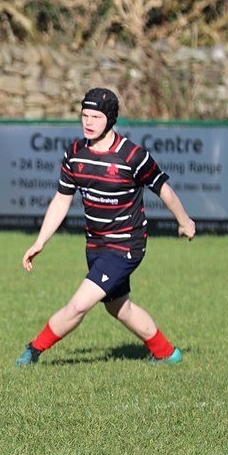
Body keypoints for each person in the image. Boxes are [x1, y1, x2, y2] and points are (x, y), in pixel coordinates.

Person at [16, 87, 195, 366]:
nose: (88, 122)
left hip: (126, 245)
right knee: (118, 307)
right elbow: (61, 201)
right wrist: (40, 242)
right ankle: (166, 353)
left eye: (96, 117)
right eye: (84, 115)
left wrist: (185, 222)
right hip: (95, 245)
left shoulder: (133, 156)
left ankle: (33, 351)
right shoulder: (75, 154)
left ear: (110, 119)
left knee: (79, 304)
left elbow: (164, 190)